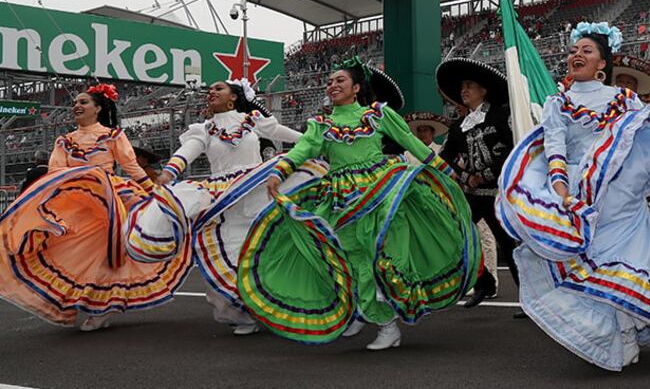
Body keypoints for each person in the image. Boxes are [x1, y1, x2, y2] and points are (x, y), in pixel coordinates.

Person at [499, 22, 650, 371]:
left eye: (586, 51)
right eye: (572, 51)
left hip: (622, 194)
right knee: (593, 263)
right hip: (584, 196)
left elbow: (641, 143)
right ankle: (617, 334)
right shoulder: (557, 103)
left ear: (602, 65)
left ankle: (625, 332)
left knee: (630, 260)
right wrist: (563, 193)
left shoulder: (624, 99)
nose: (576, 55)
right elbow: (555, 151)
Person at [238, 58, 479, 349]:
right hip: (341, 198)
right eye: (330, 82)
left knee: (381, 256)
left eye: (340, 80)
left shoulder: (377, 116)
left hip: (381, 191)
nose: (333, 85)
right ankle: (361, 311)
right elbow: (302, 150)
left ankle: (387, 324)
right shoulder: (321, 125)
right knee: (349, 256)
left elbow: (411, 143)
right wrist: (279, 173)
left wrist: (448, 171)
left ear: (356, 88)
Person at [125, 79, 311, 336]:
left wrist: (316, 143)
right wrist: (170, 171)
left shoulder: (252, 120)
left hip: (255, 190)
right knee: (232, 253)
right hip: (223, 198)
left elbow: (287, 135)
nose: (211, 92)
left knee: (267, 252)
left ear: (233, 97)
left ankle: (279, 306)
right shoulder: (204, 129)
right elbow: (187, 151)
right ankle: (244, 313)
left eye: (218, 89)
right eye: (209, 90)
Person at [0, 84, 190, 331]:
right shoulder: (64, 140)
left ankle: (101, 308)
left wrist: (154, 192)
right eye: (75, 102)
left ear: (98, 108)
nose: (77, 106)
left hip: (110, 200)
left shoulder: (112, 136)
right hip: (76, 201)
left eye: (84, 102)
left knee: (105, 256)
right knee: (72, 253)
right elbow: (56, 172)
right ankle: (76, 300)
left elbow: (131, 167)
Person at [436, 58, 518, 309]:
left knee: (508, 243)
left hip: (499, 191)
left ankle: (528, 296)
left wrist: (487, 173)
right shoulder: (459, 126)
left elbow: (513, 148)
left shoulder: (501, 114)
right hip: (473, 193)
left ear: (483, 90)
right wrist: (464, 175)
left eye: (470, 85)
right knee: (457, 234)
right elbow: (445, 157)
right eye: (462, 86)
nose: (464, 90)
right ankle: (483, 281)